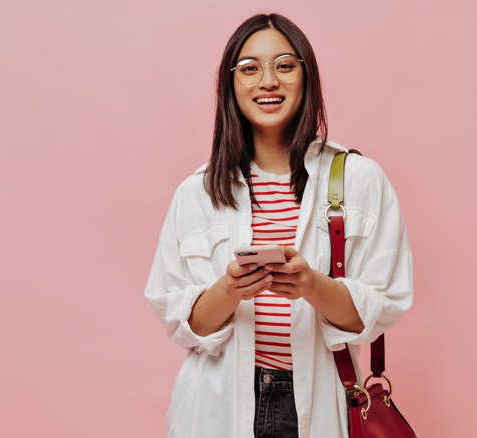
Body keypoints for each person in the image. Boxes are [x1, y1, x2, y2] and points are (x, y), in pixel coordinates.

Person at [144, 13, 413, 438]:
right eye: (249, 69)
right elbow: (185, 325)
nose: (267, 81)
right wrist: (229, 289)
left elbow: (383, 306)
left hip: (319, 400)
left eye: (284, 65)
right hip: (219, 405)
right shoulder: (196, 191)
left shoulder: (360, 179)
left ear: (307, 77)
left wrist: (310, 285)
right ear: (230, 85)